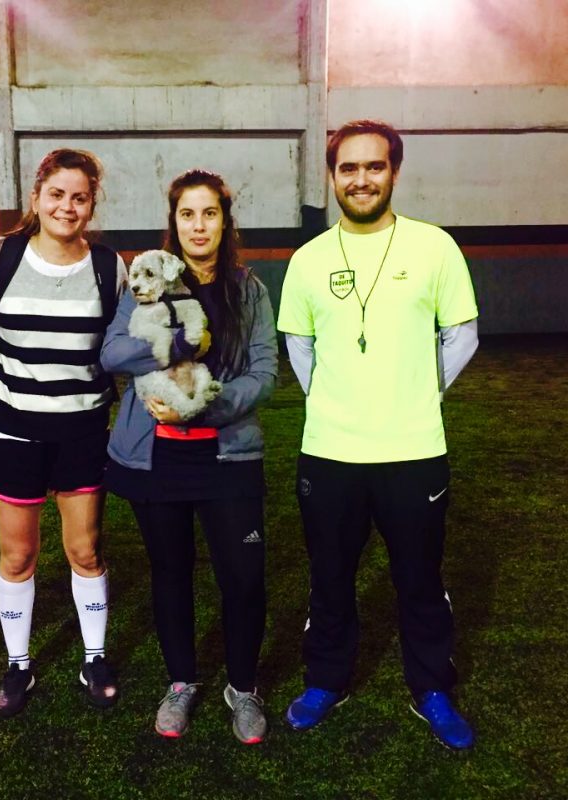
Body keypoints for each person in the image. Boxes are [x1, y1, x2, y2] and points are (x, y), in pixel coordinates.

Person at [277, 120, 479, 750]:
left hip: (414, 451)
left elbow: (462, 335)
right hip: (331, 452)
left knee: (420, 576)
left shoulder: (435, 248)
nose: (360, 179)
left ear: (394, 171)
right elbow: (299, 345)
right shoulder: (309, 259)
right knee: (330, 575)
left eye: (374, 167)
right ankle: (325, 679)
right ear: (332, 177)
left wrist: (417, 391)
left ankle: (432, 687)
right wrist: (338, 399)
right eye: (348, 168)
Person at [100, 169, 278, 744]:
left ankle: (242, 688)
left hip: (227, 458)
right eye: (187, 214)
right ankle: (181, 682)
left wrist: (205, 408)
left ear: (225, 222)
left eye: (209, 213)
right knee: (170, 573)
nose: (198, 225)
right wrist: (176, 343)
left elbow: (265, 374)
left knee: (244, 578)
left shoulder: (248, 290)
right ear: (173, 222)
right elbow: (112, 353)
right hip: (155, 461)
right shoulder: (148, 282)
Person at [0, 148, 127, 716]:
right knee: (18, 556)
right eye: (56, 194)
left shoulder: (110, 267)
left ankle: (94, 657)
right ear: (36, 198)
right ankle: (19, 666)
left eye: (79, 197)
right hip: (12, 431)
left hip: (82, 432)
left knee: (85, 550)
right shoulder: (2, 256)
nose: (67, 206)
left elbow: (123, 343)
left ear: (90, 204)